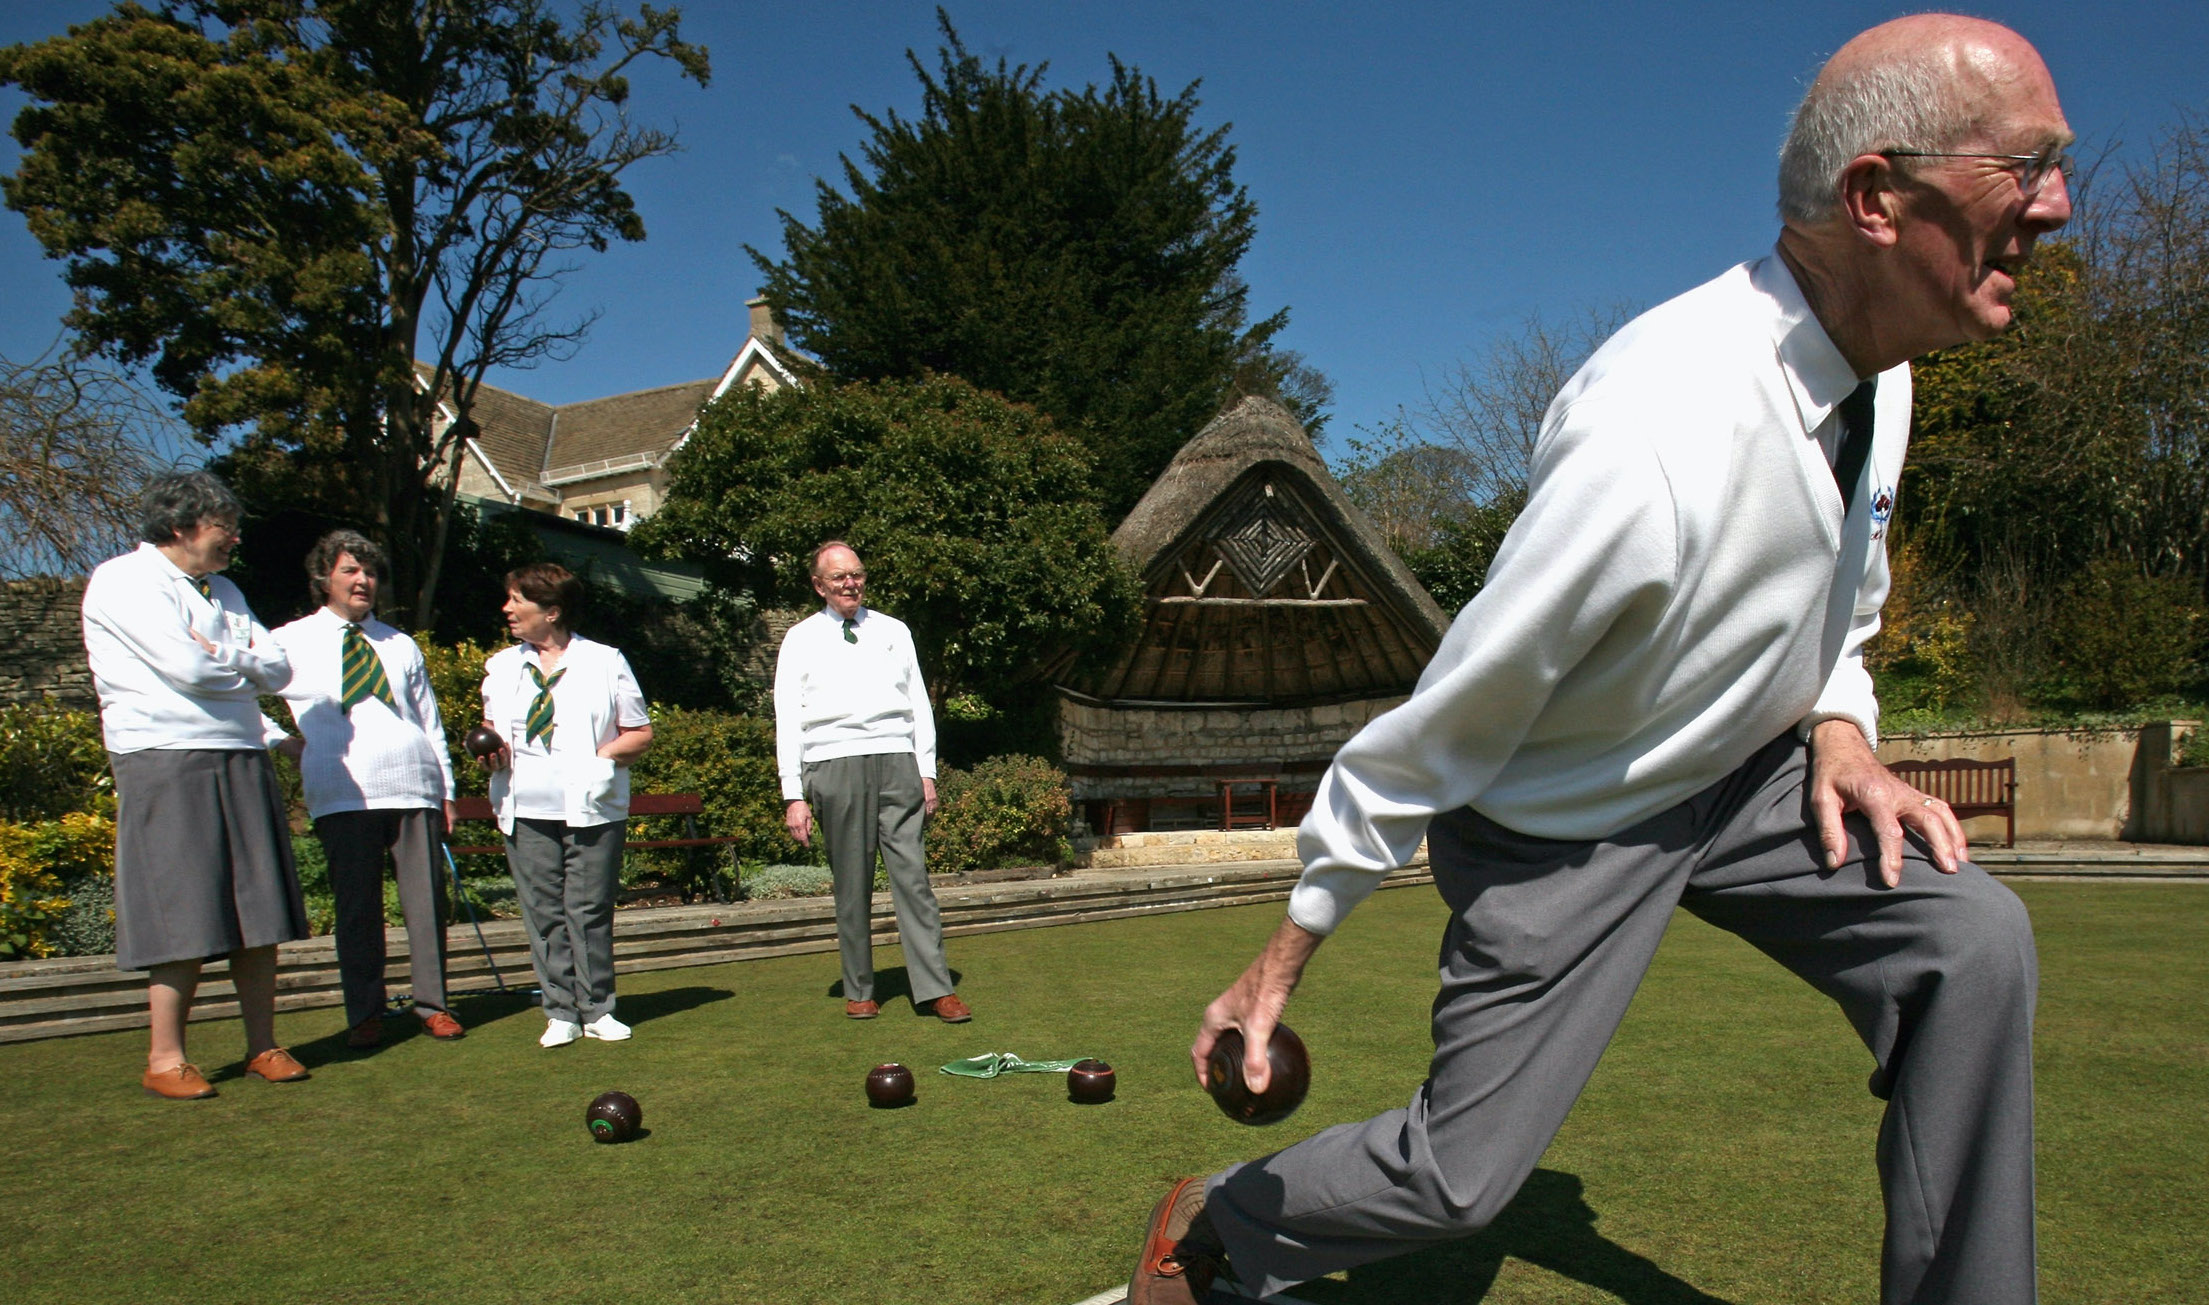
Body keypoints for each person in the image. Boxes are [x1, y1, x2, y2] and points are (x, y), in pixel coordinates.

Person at [1130, 16, 2070, 1305]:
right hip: (1562, 829)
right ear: (1876, 199)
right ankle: (1231, 1217)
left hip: (1744, 783)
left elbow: (1846, 600)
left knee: (1973, 945)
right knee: (1459, 1182)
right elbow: (1449, 716)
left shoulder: (1884, 372)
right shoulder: (1654, 433)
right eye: (2023, 167)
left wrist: (1842, 729)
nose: (2055, 206)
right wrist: (1284, 953)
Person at [81, 470, 311, 1099]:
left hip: (241, 752)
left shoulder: (225, 589)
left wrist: (223, 655)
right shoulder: (124, 580)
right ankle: (165, 1059)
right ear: (181, 526)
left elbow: (279, 669)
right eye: (223, 527)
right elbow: (187, 670)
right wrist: (239, 666)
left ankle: (262, 1045)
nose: (234, 538)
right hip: (165, 755)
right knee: (179, 906)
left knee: (259, 908)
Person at [267, 530, 464, 1048]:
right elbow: (235, 690)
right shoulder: (288, 640)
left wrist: (445, 789)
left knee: (426, 906)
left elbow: (430, 721)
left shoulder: (400, 644)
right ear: (323, 577)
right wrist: (281, 742)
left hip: (413, 787)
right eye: (351, 570)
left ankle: (434, 1006)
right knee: (357, 909)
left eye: (371, 572)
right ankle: (365, 1012)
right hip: (343, 792)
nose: (363, 581)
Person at [774, 541, 970, 1023]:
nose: (850, 584)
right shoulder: (800, 639)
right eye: (838, 577)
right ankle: (860, 988)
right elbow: (787, 718)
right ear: (819, 585)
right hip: (832, 764)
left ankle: (935, 988)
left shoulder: (893, 631)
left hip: (897, 762)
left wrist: (926, 770)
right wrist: (793, 793)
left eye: (856, 574)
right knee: (852, 884)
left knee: (914, 880)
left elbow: (918, 702)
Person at [475, 563, 652, 1047]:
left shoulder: (605, 661)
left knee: (588, 911)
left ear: (551, 611)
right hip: (525, 810)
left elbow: (639, 733)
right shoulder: (501, 667)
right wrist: (491, 753)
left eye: (518, 600)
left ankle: (597, 1008)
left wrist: (603, 759)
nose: (507, 609)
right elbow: (492, 732)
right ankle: (560, 1012)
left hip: (592, 807)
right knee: (543, 913)